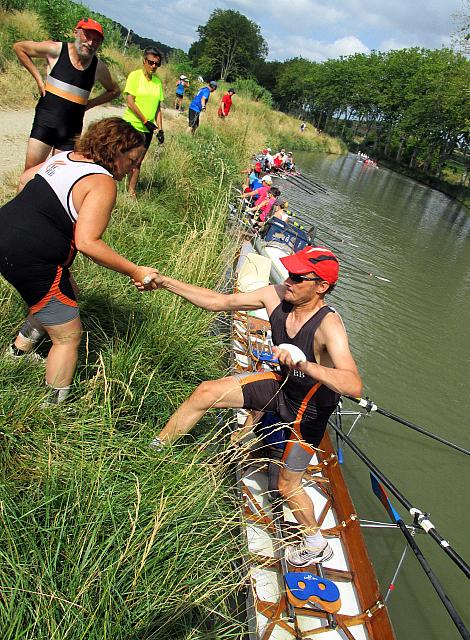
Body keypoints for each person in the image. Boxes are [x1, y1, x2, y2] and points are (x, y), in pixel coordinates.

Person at [141, 246, 362, 567]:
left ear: (321, 286)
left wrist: (308, 366)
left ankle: (316, 543)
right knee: (205, 392)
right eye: (288, 273)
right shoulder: (275, 295)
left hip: (309, 411)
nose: (288, 281)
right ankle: (155, 449)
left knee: (287, 485)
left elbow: (353, 384)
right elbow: (218, 302)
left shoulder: (329, 326)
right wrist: (164, 282)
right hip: (281, 384)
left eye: (298, 277)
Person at [0, 117, 158, 404]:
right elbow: (88, 242)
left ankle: (18, 352)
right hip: (29, 255)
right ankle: (52, 407)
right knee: (68, 338)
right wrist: (135, 269)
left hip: (4, 230)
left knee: (67, 291)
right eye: (133, 160)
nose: (134, 168)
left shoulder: (67, 158)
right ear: (116, 151)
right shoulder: (103, 182)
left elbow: (24, 179)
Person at [13, 18, 120, 171]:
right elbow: (19, 48)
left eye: (96, 41)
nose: (90, 43)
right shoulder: (56, 50)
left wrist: (90, 104)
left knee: (56, 176)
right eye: (87, 36)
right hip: (45, 123)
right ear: (76, 32)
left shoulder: (98, 68)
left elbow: (115, 91)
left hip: (71, 130)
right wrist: (38, 79)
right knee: (31, 171)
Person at [122, 47, 164, 198]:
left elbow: (158, 108)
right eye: (151, 62)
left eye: (157, 64)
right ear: (144, 61)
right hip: (132, 125)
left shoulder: (158, 83)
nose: (153, 66)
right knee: (125, 157)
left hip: (148, 129)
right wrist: (145, 120)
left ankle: (131, 192)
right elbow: (130, 102)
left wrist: (160, 129)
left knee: (138, 162)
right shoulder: (135, 76)